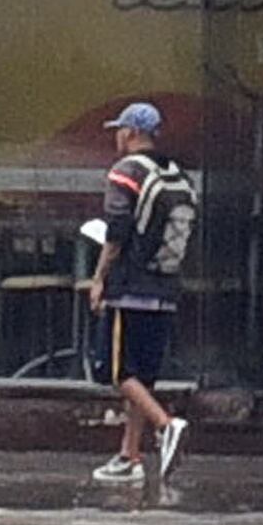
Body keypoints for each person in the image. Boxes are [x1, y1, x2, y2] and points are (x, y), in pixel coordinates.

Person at [88, 100, 192, 486]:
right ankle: (129, 455)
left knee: (117, 371)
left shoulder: (126, 171)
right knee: (143, 376)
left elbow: (116, 229)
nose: (117, 136)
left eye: (120, 129)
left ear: (131, 132)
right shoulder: (176, 173)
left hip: (129, 287)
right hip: (165, 288)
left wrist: (100, 277)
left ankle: (167, 426)